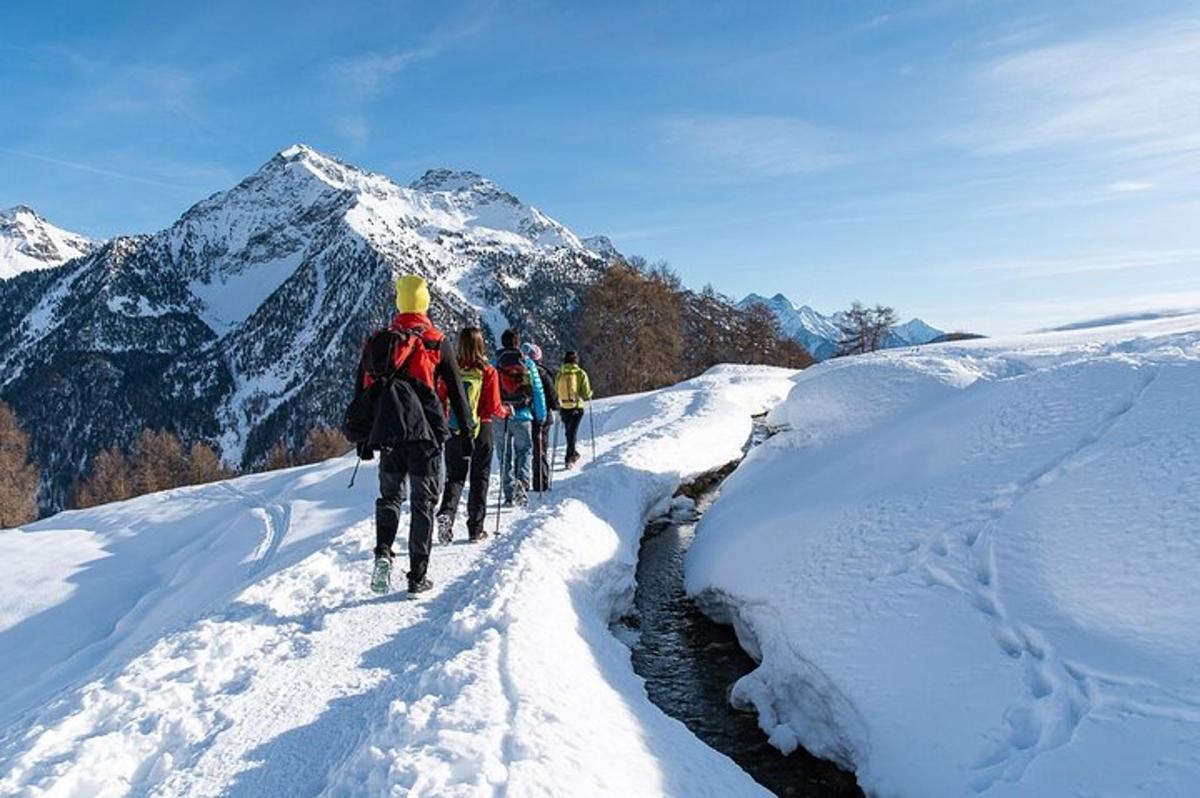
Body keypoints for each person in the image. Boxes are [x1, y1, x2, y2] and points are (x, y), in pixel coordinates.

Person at [362, 275, 474, 595]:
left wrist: (364, 439)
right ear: (425, 303)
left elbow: (364, 389)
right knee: (423, 503)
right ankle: (417, 576)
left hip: (388, 435)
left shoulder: (380, 342)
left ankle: (383, 552)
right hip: (426, 437)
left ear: (400, 302)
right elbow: (456, 391)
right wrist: (465, 433)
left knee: (390, 497)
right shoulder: (436, 341)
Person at [436, 327, 507, 543]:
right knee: (480, 478)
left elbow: (440, 397)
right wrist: (505, 412)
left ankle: (446, 514)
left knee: (455, 478)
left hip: (456, 430)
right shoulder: (488, 371)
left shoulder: (452, 369)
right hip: (481, 429)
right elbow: (494, 406)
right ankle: (475, 529)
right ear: (480, 345)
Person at [494, 329, 546, 506]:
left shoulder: (495, 363)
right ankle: (521, 483)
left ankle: (508, 494)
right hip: (523, 414)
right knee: (524, 451)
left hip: (501, 415)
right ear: (517, 343)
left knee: (504, 455)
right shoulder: (528, 363)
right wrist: (541, 415)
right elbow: (538, 390)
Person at [522, 342, 559, 492]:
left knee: (528, 448)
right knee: (541, 448)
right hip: (542, 417)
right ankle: (541, 482)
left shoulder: (522, 371)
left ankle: (526, 480)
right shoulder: (542, 373)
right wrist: (556, 405)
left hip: (525, 415)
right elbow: (551, 395)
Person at [555, 351, 593, 468]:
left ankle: (573, 453)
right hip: (577, 407)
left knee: (569, 432)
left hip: (564, 407)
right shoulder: (580, 373)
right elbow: (586, 393)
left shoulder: (560, 374)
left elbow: (556, 389)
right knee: (572, 433)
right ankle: (569, 458)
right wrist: (590, 393)